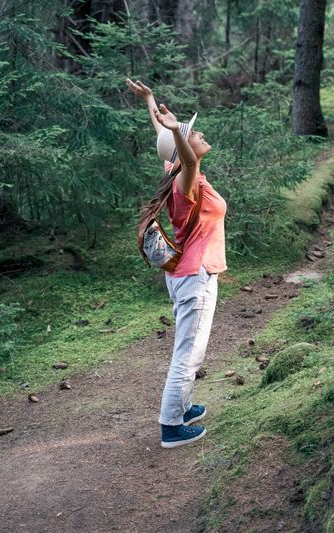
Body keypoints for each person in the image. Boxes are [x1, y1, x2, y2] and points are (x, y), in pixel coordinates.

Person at [126, 78, 228, 449]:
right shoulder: (186, 178)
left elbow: (165, 139)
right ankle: (171, 426)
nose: (199, 133)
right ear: (187, 149)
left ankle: (183, 409)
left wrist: (151, 101)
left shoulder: (180, 171)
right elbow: (181, 149)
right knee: (189, 352)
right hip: (195, 276)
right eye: (194, 133)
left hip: (188, 273)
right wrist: (177, 132)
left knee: (190, 347)